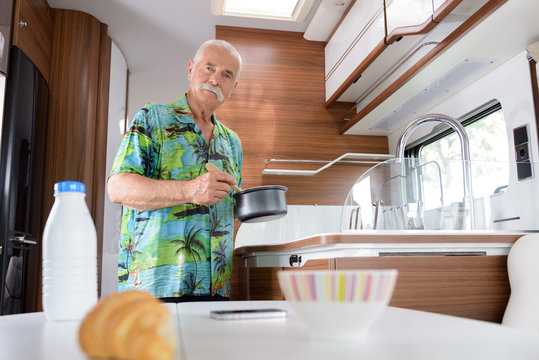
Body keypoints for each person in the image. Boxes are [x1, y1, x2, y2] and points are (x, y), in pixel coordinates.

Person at [107, 39, 243, 302]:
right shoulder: (152, 118)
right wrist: (191, 190)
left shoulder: (233, 143)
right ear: (190, 69)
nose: (215, 79)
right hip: (154, 289)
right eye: (209, 68)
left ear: (233, 87)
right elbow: (118, 187)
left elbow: (229, 206)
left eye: (226, 74)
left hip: (218, 289)